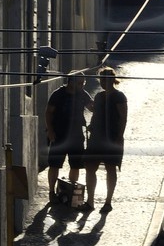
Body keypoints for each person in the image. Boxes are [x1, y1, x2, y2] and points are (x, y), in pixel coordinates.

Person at [44, 71, 93, 202]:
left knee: (75, 165)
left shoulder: (82, 94)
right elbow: (48, 112)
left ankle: (70, 189)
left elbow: (92, 107)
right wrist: (50, 130)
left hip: (76, 135)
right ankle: (51, 192)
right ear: (71, 82)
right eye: (80, 83)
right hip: (59, 134)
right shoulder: (58, 94)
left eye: (84, 83)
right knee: (54, 164)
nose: (82, 85)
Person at [85, 66, 128, 213]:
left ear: (111, 80)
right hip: (96, 138)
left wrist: (119, 137)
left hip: (112, 138)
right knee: (90, 168)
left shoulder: (119, 96)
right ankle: (90, 202)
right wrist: (91, 126)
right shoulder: (99, 96)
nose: (102, 82)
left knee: (110, 169)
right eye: (101, 80)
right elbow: (96, 115)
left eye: (105, 80)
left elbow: (123, 118)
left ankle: (108, 202)